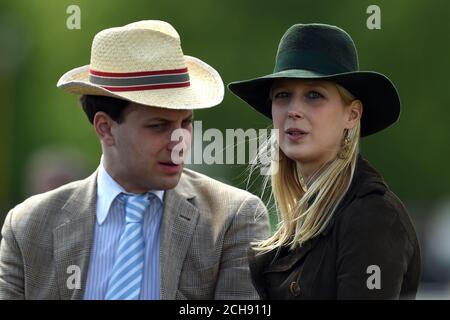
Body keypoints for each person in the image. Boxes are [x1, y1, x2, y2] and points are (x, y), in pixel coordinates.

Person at [0, 20, 270, 300]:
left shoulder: (231, 218)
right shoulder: (28, 225)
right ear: (105, 127)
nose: (179, 141)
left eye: (186, 123)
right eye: (158, 126)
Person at [228, 23, 421, 299]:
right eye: (283, 95)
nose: (294, 110)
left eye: (314, 95)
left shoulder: (372, 215)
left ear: (352, 115)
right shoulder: (305, 221)